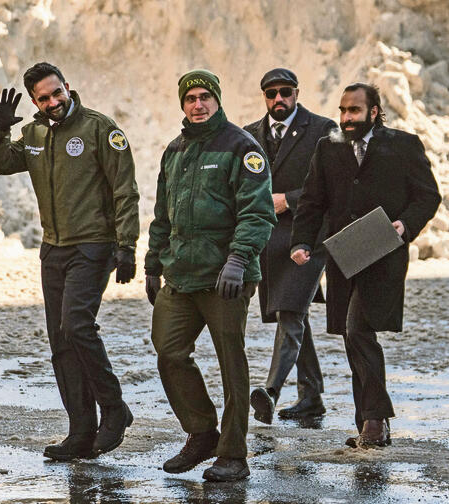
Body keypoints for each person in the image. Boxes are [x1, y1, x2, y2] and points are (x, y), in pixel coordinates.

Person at [0, 62, 139, 461]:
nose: (53, 102)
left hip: (93, 245)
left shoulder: (99, 129)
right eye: (44, 98)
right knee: (60, 341)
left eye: (57, 93)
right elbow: (0, 162)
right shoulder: (34, 133)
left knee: (77, 325)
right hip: (53, 248)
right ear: (35, 101)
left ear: (67, 87)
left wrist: (126, 246)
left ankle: (115, 408)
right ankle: (80, 431)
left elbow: (125, 190)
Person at [291, 83, 440, 448]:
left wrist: (404, 225)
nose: (346, 118)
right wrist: (300, 241)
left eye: (354, 111)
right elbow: (312, 201)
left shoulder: (404, 145)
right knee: (352, 335)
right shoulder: (327, 148)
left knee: (358, 329)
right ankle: (368, 423)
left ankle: (374, 421)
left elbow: (428, 195)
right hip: (343, 256)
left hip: (385, 255)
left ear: (374, 111)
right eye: (343, 110)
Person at [145, 69, 276, 482]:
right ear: (182, 104)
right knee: (169, 351)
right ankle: (202, 432)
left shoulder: (242, 147)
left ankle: (233, 455)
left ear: (217, 100)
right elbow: (162, 215)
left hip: (226, 279)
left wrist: (238, 259)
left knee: (231, 364)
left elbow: (258, 211)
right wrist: (152, 263)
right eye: (190, 99)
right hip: (181, 276)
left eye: (204, 97)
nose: (197, 104)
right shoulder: (175, 150)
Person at [243, 68, 337, 424]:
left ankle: (270, 390)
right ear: (264, 97)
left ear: (297, 92)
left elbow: (334, 186)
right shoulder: (250, 134)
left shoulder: (323, 129)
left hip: (309, 235)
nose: (278, 99)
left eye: (285, 92)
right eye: (271, 94)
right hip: (269, 239)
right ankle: (311, 397)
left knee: (291, 311)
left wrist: (290, 199)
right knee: (292, 310)